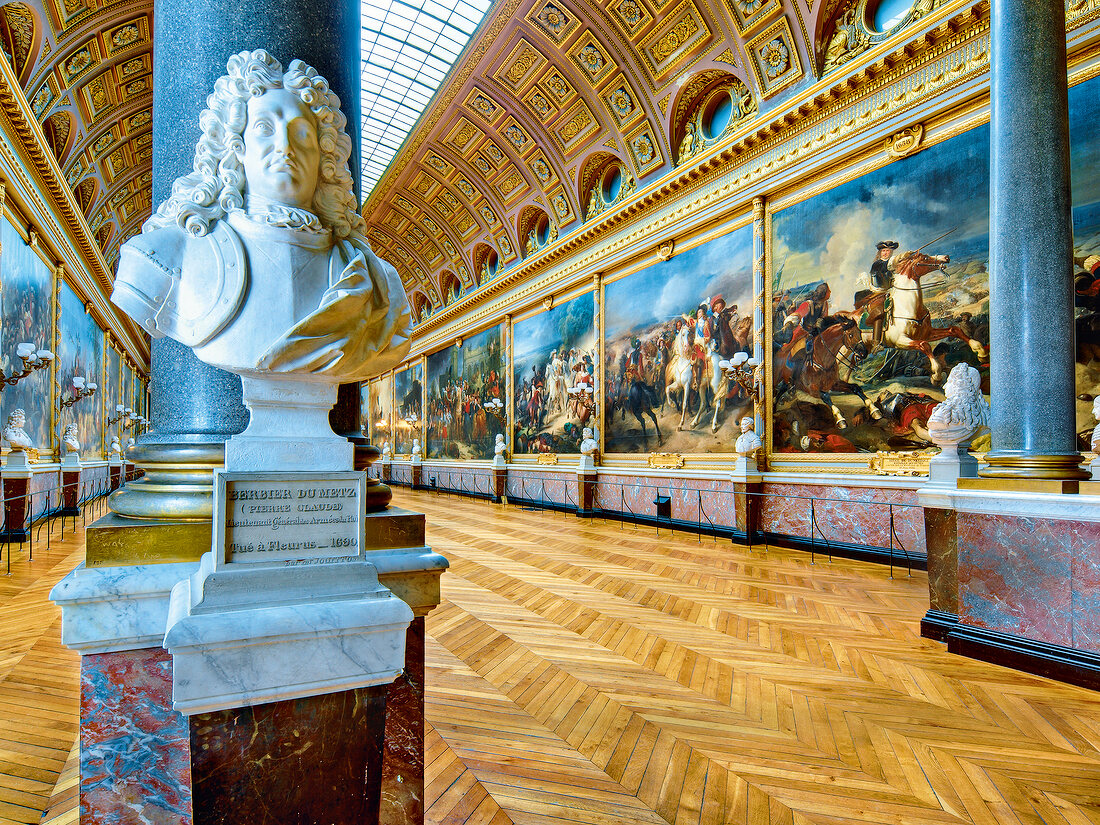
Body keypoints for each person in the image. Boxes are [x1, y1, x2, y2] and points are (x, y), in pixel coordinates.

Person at [112, 49, 410, 381]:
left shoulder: (375, 281)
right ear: (235, 148)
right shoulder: (166, 255)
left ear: (325, 160)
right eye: (265, 128)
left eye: (302, 134)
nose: (285, 146)